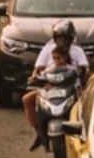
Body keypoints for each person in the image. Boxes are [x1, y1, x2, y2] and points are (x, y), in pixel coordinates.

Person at [22, 22, 90, 150]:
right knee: (27, 100)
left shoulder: (77, 51)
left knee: (86, 105)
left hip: (72, 87)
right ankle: (39, 133)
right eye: (59, 38)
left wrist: (82, 75)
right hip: (49, 88)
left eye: (64, 38)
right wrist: (34, 77)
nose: (61, 41)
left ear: (71, 38)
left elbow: (85, 68)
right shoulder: (48, 49)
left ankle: (86, 135)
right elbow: (38, 68)